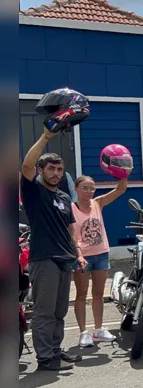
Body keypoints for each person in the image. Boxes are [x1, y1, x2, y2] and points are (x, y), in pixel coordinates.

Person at [21, 128, 87, 371]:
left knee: (59, 311)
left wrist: (78, 254)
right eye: (51, 168)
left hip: (65, 258)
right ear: (41, 171)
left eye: (59, 169)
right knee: (44, 312)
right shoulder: (33, 191)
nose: (56, 173)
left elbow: (70, 230)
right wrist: (46, 137)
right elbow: (26, 166)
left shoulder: (62, 197)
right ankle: (46, 357)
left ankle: (55, 350)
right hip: (44, 259)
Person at [72, 175, 128, 347]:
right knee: (81, 295)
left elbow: (120, 190)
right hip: (82, 256)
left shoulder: (98, 203)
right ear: (76, 189)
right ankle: (83, 333)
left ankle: (98, 330)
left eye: (92, 188)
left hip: (101, 254)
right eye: (85, 188)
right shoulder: (71, 209)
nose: (89, 191)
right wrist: (79, 255)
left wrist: (123, 174)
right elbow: (71, 236)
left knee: (98, 294)